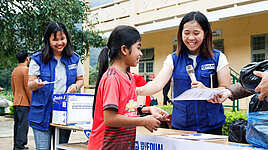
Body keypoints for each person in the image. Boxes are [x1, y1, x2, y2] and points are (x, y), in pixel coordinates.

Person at [136, 11, 231, 135]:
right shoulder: (173, 59)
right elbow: (157, 84)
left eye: (196, 33)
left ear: (205, 33)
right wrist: (135, 90)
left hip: (211, 127)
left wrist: (206, 90)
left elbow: (226, 88)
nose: (191, 38)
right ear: (181, 34)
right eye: (186, 33)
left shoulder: (218, 57)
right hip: (182, 127)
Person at [88, 25, 169, 150]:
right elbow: (110, 118)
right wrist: (143, 121)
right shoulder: (112, 79)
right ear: (124, 50)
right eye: (138, 48)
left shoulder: (129, 78)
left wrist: (148, 110)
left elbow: (125, 110)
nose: (141, 53)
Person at [27, 21, 85, 150]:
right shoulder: (38, 59)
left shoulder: (74, 58)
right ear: (48, 40)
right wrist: (36, 84)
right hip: (42, 113)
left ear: (67, 39)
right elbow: (30, 84)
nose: (59, 43)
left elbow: (80, 80)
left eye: (62, 38)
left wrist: (75, 86)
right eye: (55, 39)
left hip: (64, 112)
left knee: (61, 148)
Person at [11, 50, 32, 150]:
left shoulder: (15, 70)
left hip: (16, 101)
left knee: (17, 124)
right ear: (27, 58)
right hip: (24, 102)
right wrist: (32, 101)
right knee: (23, 125)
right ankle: (20, 145)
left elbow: (13, 87)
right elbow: (27, 87)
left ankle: (16, 144)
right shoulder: (26, 70)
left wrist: (16, 97)